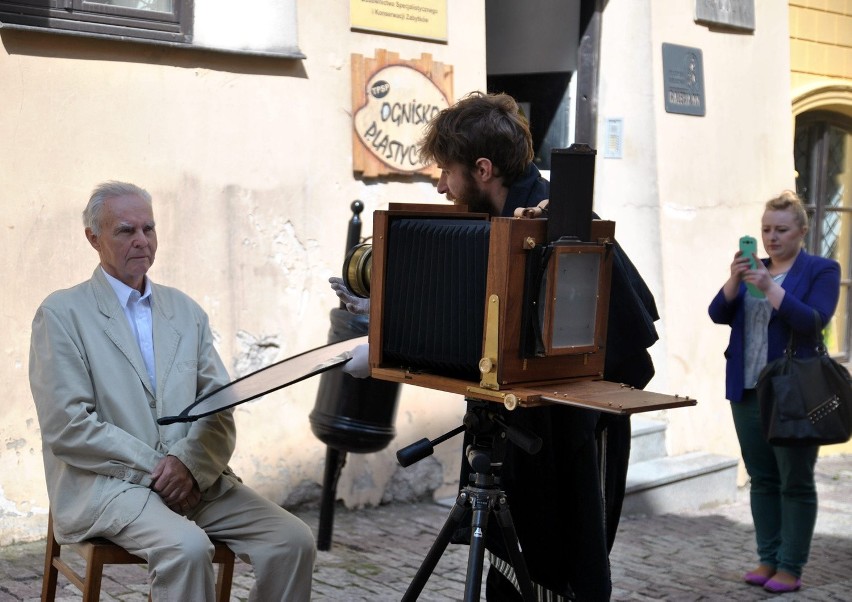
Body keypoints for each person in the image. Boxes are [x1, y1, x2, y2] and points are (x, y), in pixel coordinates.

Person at [332, 91, 659, 601]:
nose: (440, 186)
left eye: (446, 171)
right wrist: (385, 328)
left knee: (552, 583)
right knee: (506, 585)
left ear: (482, 169)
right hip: (514, 444)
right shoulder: (494, 224)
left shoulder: (563, 223)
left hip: (562, 454)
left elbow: (629, 357)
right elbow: (475, 322)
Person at [30, 181, 316, 601]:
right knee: (187, 548)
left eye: (149, 229)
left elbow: (220, 408)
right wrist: (160, 468)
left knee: (293, 541)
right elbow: (68, 426)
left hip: (195, 479)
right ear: (93, 238)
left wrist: (189, 465)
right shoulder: (61, 313)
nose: (142, 241)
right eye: (126, 231)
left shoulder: (185, 312)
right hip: (107, 486)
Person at [708, 190, 840, 594]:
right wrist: (736, 278)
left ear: (802, 230)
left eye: (781, 229)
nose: (771, 237)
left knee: (795, 480)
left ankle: (790, 566)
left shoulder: (822, 269)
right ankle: (767, 559)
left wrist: (769, 287)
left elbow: (812, 321)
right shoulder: (754, 268)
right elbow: (717, 313)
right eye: (766, 229)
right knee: (762, 478)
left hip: (794, 391)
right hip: (746, 389)